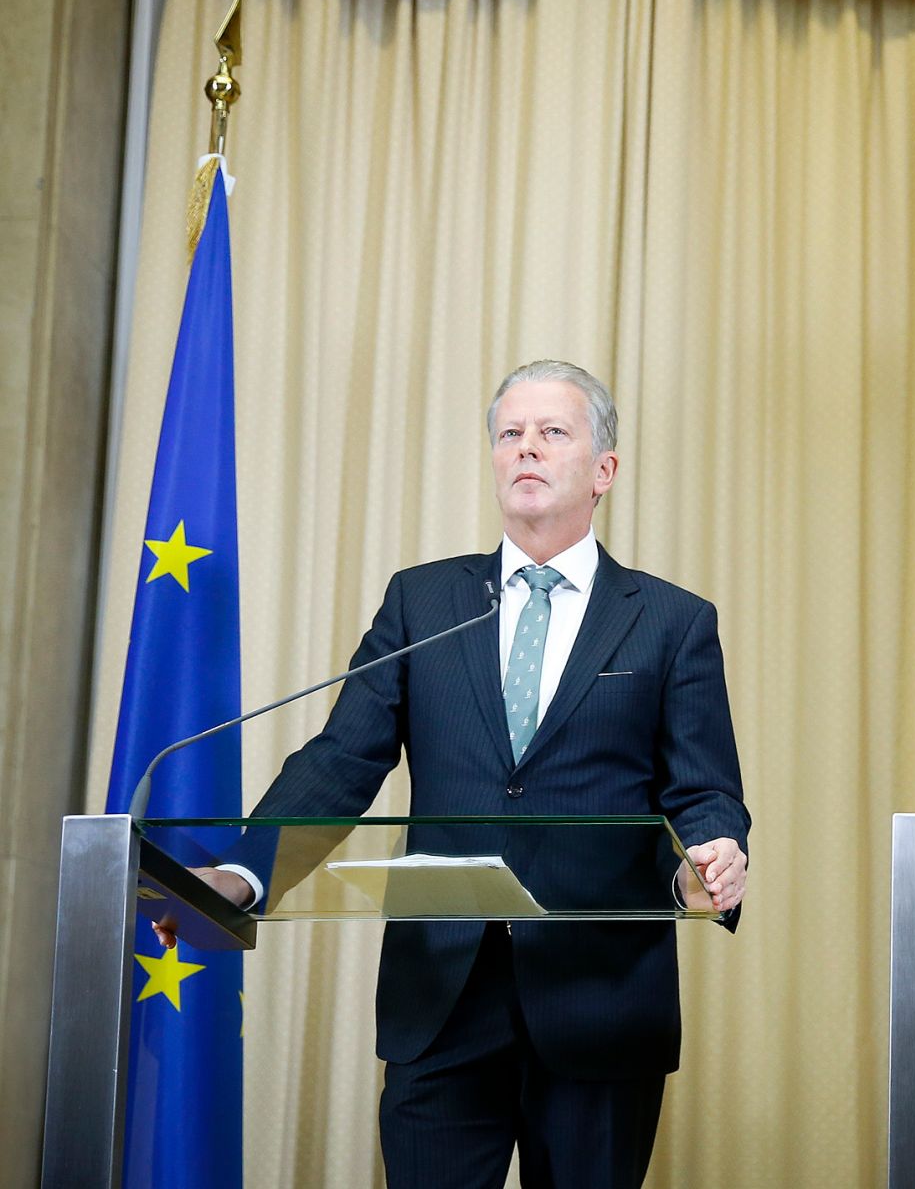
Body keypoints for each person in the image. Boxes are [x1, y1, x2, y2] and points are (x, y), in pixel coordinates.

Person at [158, 360, 749, 1189]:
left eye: (552, 433)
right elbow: (342, 759)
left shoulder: (671, 620)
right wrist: (242, 872)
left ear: (603, 470)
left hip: (601, 996)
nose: (526, 450)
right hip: (441, 994)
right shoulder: (425, 602)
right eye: (510, 434)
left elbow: (703, 788)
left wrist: (712, 854)